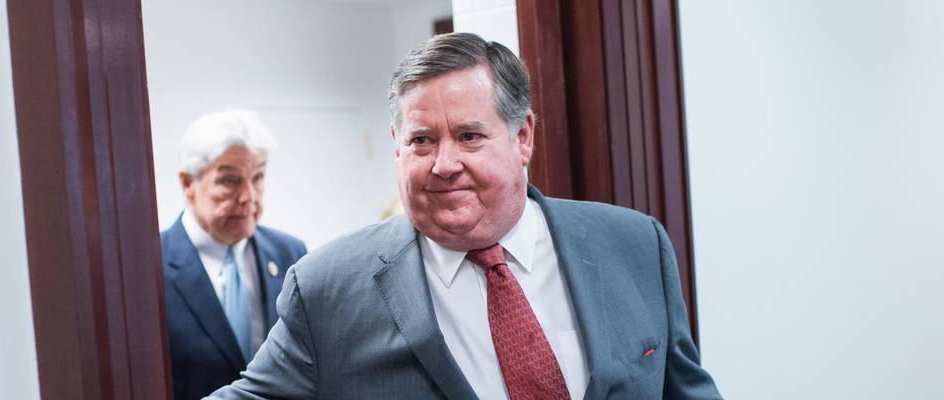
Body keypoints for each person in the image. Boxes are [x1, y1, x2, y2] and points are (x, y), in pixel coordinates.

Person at [207, 33, 720, 399]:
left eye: (470, 136)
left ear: (523, 137)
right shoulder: (327, 289)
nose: (444, 164)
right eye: (421, 141)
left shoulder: (634, 245)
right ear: (396, 147)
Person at [161, 109, 308, 400]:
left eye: (258, 177)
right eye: (230, 181)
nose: (248, 197)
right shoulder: (151, 265)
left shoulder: (290, 252)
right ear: (188, 183)